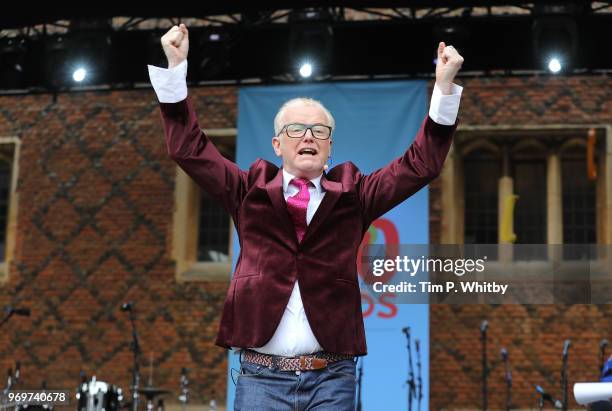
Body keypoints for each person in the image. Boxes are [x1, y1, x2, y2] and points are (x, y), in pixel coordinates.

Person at [148, 23, 463, 411]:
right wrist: (176, 69)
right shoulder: (248, 191)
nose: (308, 136)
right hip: (261, 377)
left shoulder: (355, 196)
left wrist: (444, 89)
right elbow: (188, 149)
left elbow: (421, 165)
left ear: (330, 146)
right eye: (296, 129)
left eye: (319, 130)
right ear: (278, 144)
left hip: (331, 377)